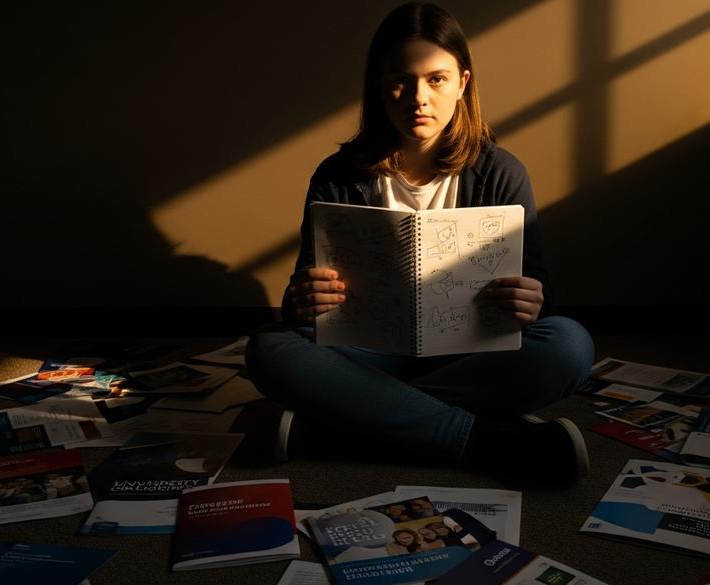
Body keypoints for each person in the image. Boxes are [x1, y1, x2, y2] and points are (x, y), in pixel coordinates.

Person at [246, 2, 594, 483]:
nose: (418, 98)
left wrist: (531, 299)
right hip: (368, 351)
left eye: (436, 79)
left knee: (570, 345)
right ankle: (482, 439)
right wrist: (302, 298)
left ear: (462, 83)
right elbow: (302, 303)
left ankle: (339, 428)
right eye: (400, 80)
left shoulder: (502, 172)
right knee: (271, 349)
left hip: (469, 353)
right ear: (377, 84)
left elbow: (541, 295)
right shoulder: (338, 175)